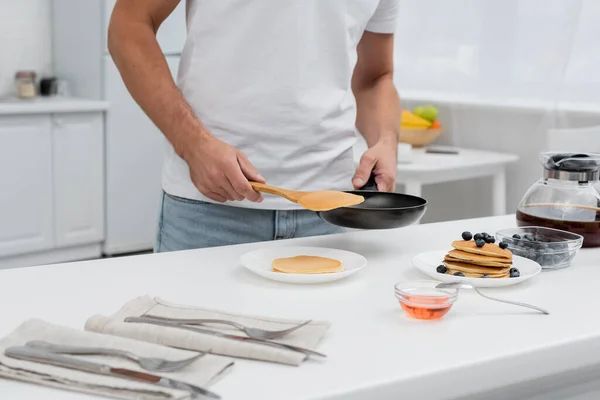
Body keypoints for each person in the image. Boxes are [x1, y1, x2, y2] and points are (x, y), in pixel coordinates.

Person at [108, 0, 401, 251]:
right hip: (210, 214)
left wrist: (386, 140)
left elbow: (374, 77)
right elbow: (129, 28)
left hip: (333, 214)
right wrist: (194, 145)